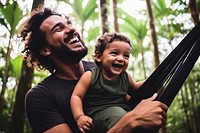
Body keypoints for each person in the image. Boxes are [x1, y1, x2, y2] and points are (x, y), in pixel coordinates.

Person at [21, 8, 168, 133]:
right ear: (45, 50)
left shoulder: (105, 69)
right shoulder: (40, 96)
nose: (72, 29)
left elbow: (126, 98)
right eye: (58, 28)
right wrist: (129, 122)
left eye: (69, 24)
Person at [71, 32, 144, 133]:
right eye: (114, 53)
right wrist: (79, 116)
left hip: (124, 112)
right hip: (98, 116)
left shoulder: (125, 76)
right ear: (99, 57)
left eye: (126, 56)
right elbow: (76, 96)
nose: (121, 59)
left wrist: (154, 80)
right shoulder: (90, 75)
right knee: (118, 115)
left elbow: (135, 88)